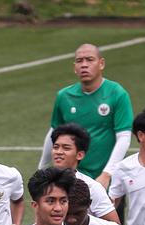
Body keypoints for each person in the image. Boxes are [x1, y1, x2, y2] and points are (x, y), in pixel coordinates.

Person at [39, 43, 133, 190]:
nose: (84, 65)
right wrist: (42, 168)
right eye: (79, 61)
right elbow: (53, 133)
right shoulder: (64, 96)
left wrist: (107, 174)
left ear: (101, 64)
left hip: (105, 180)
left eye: (89, 60)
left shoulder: (117, 94)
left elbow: (124, 137)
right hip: (72, 179)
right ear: (74, 67)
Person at [49, 123, 116, 221]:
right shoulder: (44, 183)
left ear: (80, 155)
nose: (58, 152)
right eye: (56, 147)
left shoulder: (92, 188)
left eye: (66, 148)